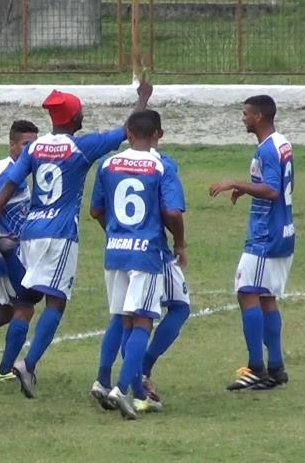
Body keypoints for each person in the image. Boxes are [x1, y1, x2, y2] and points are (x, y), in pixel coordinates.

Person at [0, 79, 154, 398]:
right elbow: (129, 131)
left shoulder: (33, 147)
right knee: (57, 302)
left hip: (30, 230)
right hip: (59, 234)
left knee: (24, 302)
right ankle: (28, 365)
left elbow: (10, 181)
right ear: (75, 119)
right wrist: (142, 99)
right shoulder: (82, 147)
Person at [88, 110, 186, 419]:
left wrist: (117, 233)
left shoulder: (107, 164)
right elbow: (172, 212)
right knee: (142, 320)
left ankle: (102, 382)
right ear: (159, 134)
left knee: (120, 317)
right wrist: (180, 242)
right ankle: (122, 389)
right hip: (146, 253)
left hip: (115, 251)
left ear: (128, 133)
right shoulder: (162, 165)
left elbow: (95, 210)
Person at [208, 95, 295, 391]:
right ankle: (276, 367)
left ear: (258, 117)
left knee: (247, 292)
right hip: (283, 230)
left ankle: (256, 368)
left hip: (265, 235)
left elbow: (271, 190)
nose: (242, 118)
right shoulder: (281, 143)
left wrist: (237, 184)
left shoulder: (268, 149)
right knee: (266, 296)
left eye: (245, 114)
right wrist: (248, 190)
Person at [0, 120, 45, 382]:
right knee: (24, 308)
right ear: (12, 144)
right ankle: (5, 370)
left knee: (5, 312)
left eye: (35, 144)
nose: (32, 149)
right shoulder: (10, 173)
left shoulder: (5, 167)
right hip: (5, 253)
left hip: (0, 251)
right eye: (27, 144)